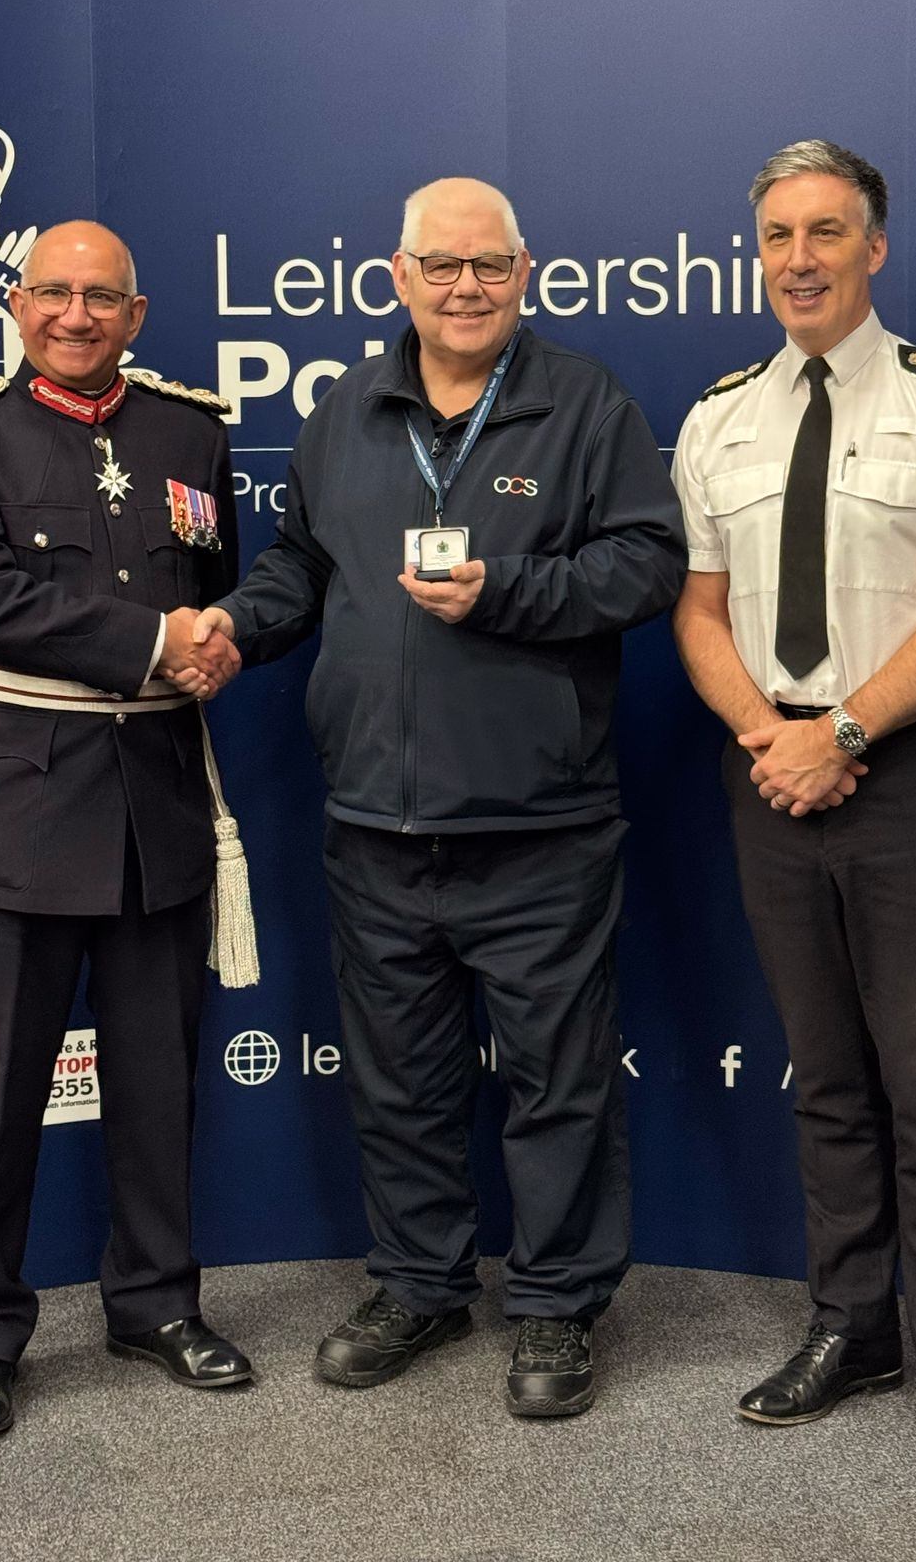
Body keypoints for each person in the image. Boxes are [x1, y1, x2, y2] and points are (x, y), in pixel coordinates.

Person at [194, 177, 685, 1419]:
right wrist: (233, 632)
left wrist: (508, 587)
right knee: (400, 1078)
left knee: (556, 1077)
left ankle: (559, 1304)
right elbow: (303, 562)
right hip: (373, 818)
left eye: (491, 266)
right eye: (441, 266)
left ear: (527, 273)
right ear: (397, 277)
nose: (467, 287)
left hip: (541, 822)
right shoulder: (344, 411)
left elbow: (647, 561)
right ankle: (418, 1282)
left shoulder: (584, 402)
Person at [671, 140, 916, 1487]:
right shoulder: (721, 419)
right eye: (777, 236)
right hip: (774, 775)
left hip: (915, 779)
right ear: (754, 253)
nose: (800, 258)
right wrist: (772, 737)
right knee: (825, 1081)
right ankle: (852, 1324)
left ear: (875, 248)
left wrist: (844, 734)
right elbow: (701, 616)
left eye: (827, 232)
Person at [0, 220, 251, 1441]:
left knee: (160, 1081)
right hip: (15, 804)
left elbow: (218, 584)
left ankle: (156, 1300)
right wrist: (163, 643)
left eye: (102, 296)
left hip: (154, 799)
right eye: (54, 291)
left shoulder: (190, 428)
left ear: (138, 315)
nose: (76, 313)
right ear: (17, 299)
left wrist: (214, 644)